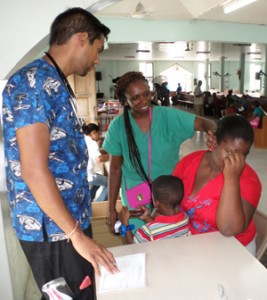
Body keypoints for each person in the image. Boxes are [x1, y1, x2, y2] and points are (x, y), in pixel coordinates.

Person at [2, 7, 118, 299]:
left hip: (67, 222)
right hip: (52, 230)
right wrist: (76, 236)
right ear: (81, 38)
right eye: (97, 48)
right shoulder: (34, 84)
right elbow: (32, 169)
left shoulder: (54, 82)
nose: (97, 59)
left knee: (85, 290)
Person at [102, 71, 217, 235]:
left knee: (169, 235)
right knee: (137, 236)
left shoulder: (167, 116)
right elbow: (114, 169)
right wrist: (111, 208)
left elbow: (205, 122)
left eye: (146, 94)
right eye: (135, 98)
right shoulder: (118, 126)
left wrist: (212, 133)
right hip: (136, 193)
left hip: (167, 193)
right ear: (124, 101)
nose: (144, 101)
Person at [172, 114, 262, 255]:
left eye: (242, 155)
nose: (235, 160)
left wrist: (231, 179)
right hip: (192, 241)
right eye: (229, 152)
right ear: (214, 140)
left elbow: (228, 229)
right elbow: (170, 200)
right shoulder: (188, 163)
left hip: (234, 248)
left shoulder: (249, 181)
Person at [118, 175, 190, 244]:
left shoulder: (147, 231)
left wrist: (124, 223)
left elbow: (133, 248)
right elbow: (160, 229)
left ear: (156, 203)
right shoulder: (185, 218)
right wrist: (147, 218)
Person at [83, 123, 109, 202]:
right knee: (112, 182)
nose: (99, 135)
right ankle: (99, 203)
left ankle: (90, 201)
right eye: (98, 133)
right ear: (93, 133)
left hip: (84, 174)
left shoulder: (85, 140)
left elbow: (95, 153)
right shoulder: (92, 143)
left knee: (97, 183)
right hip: (89, 175)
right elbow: (99, 159)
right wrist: (114, 156)